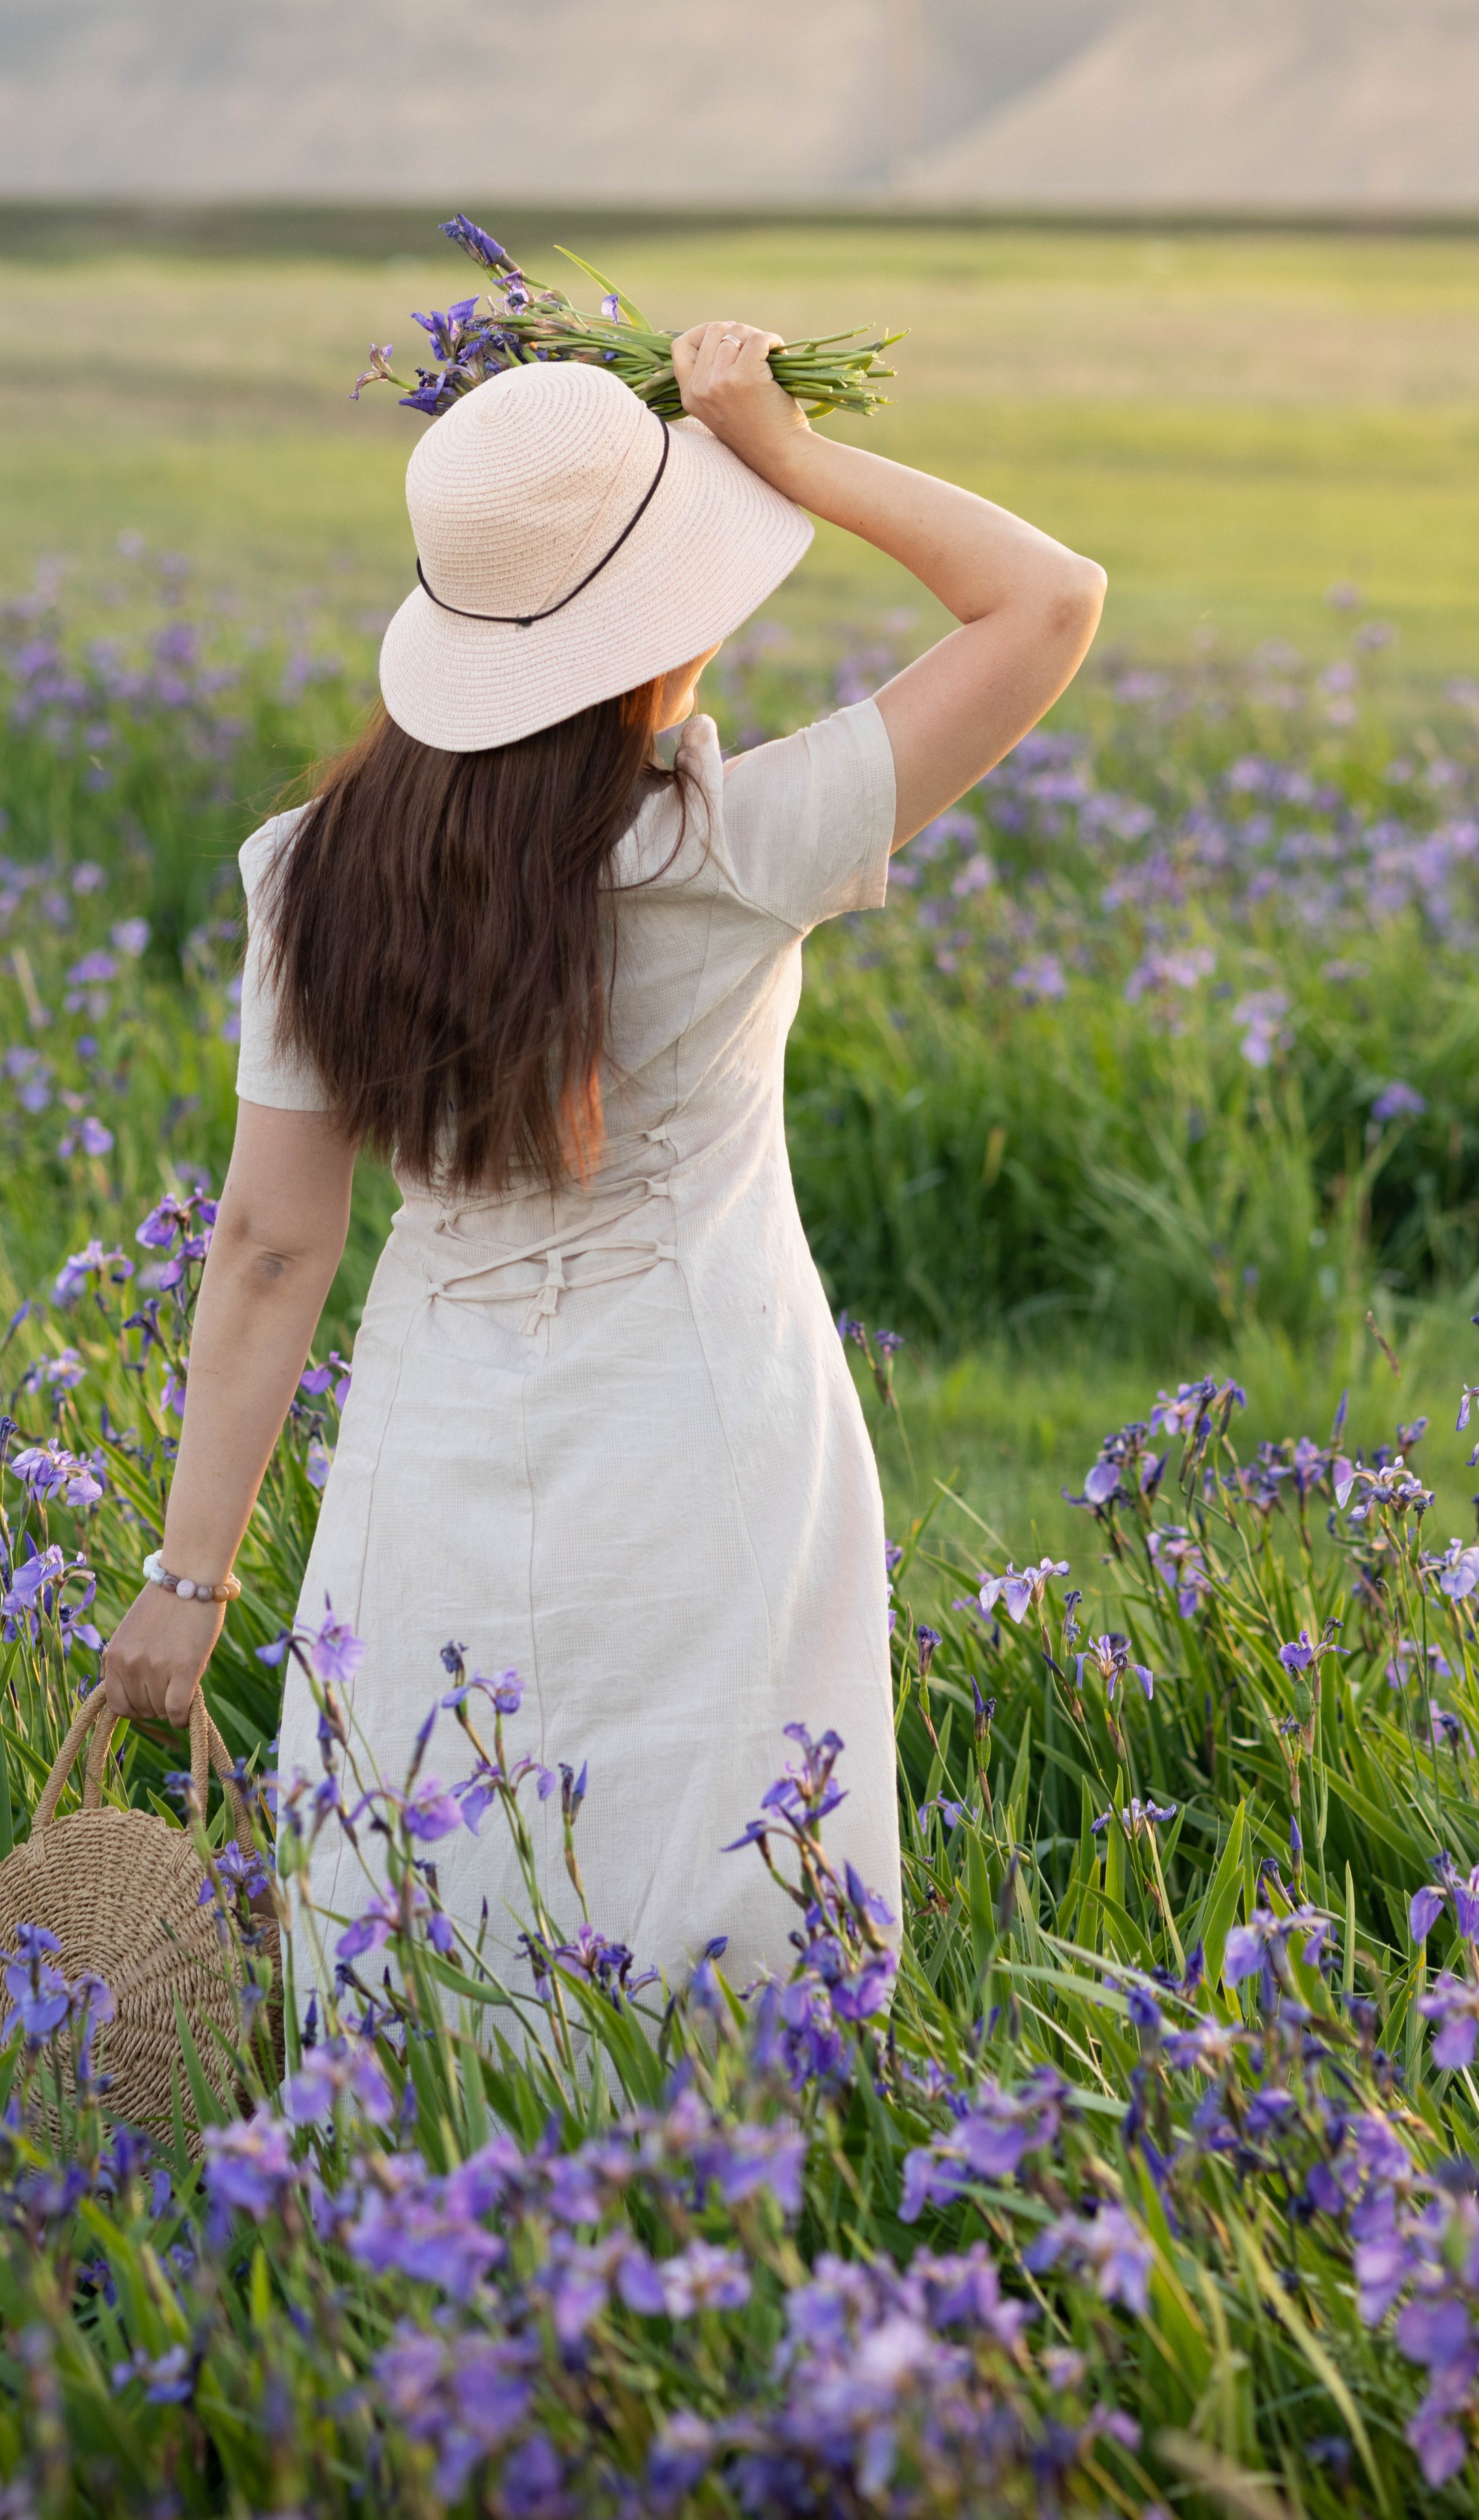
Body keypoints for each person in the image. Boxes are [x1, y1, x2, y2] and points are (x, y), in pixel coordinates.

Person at [102, 320, 1104, 2008]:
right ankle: (700, 2220)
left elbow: (269, 1248)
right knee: (713, 1850)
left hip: (432, 1428)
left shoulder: (308, 870)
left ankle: (412, 2218)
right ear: (663, 622)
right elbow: (1047, 600)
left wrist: (186, 1582)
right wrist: (785, 450)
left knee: (429, 1840)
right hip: (711, 1420)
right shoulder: (736, 844)